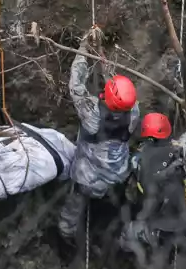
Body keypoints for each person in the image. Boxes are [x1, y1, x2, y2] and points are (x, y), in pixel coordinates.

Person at [57, 51, 140, 242]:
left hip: (88, 178)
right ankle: (111, 218)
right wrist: (106, 65)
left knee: (75, 203)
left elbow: (76, 87)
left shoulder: (92, 113)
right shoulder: (134, 111)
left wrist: (82, 52)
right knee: (113, 199)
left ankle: (66, 232)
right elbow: (120, 94)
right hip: (117, 173)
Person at [119, 112, 186, 263]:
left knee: (130, 231)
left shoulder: (137, 159)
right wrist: (185, 108)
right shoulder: (181, 149)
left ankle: (127, 250)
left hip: (154, 225)